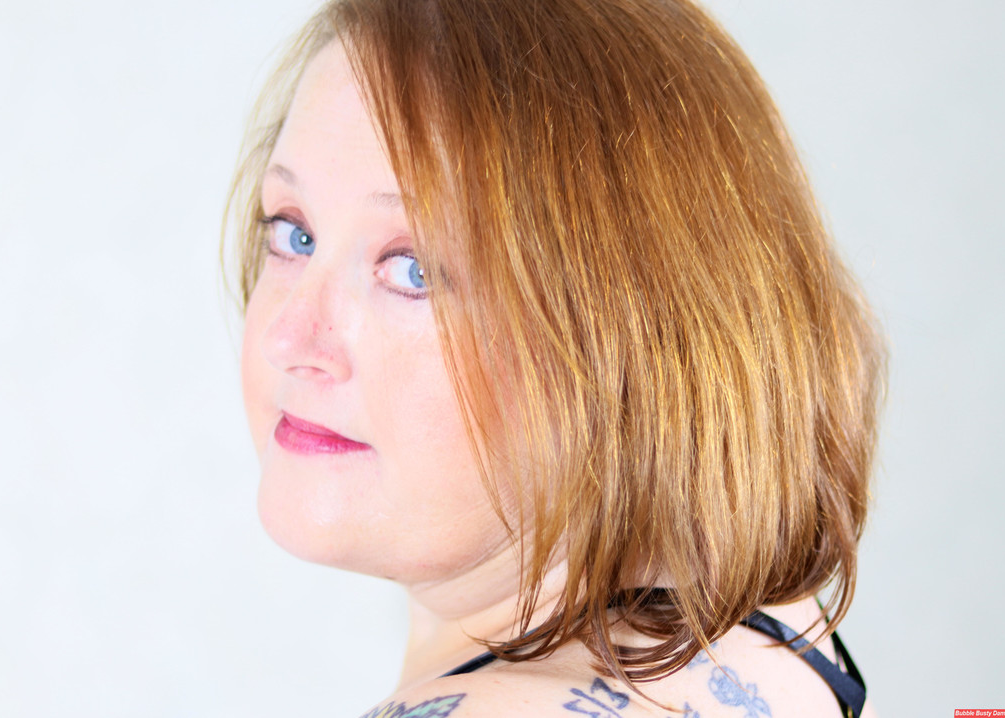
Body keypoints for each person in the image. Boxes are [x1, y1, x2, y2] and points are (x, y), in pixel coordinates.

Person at [225, 0, 886, 716]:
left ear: (630, 333)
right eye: (292, 233)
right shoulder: (784, 642)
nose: (289, 339)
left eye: (413, 269)